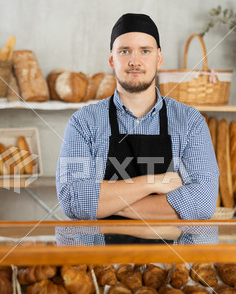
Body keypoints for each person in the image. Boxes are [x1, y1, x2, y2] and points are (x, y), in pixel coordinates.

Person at [56, 13, 219, 220]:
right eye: (125, 51)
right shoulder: (83, 122)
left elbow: (202, 203)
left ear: (158, 59)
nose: (135, 61)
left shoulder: (190, 122)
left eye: (145, 51)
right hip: (99, 252)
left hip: (171, 253)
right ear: (111, 59)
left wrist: (108, 204)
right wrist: (153, 182)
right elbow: (73, 201)